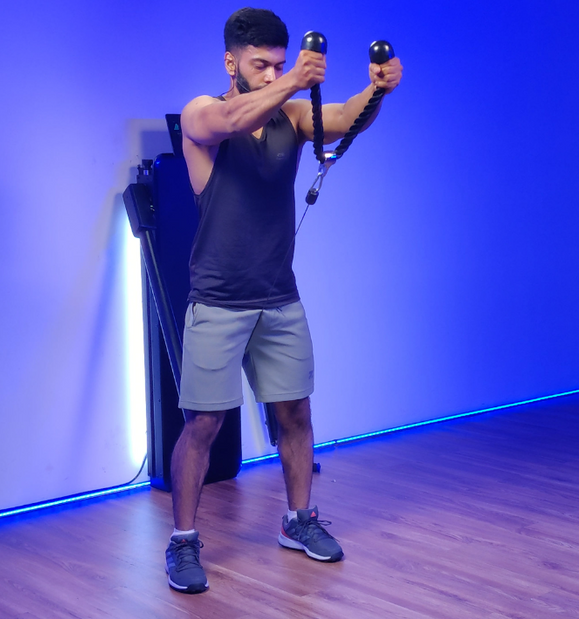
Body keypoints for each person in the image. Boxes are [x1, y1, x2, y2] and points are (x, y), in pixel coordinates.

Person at [165, 7, 403, 594]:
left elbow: (342, 119)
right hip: (218, 301)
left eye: (279, 64)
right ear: (231, 62)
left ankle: (297, 521)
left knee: (295, 413)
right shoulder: (202, 111)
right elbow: (225, 117)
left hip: (278, 297)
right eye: (260, 65)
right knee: (203, 423)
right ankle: (183, 544)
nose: (272, 74)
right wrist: (296, 79)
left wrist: (375, 91)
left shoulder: (291, 116)